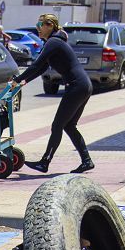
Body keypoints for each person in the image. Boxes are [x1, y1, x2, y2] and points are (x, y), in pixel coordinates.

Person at [13, 13, 93, 173]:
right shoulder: (55, 42)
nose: (38, 30)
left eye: (40, 25)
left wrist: (17, 79)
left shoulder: (53, 42)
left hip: (77, 86)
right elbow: (42, 68)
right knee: (69, 126)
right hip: (83, 85)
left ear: (50, 25)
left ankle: (45, 162)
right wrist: (23, 82)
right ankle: (87, 161)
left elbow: (36, 65)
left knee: (57, 125)